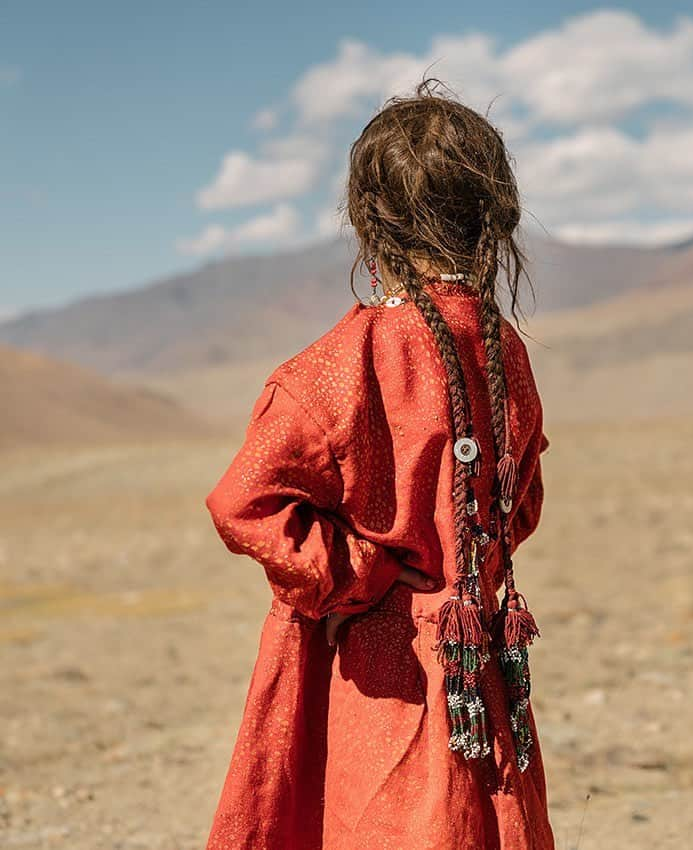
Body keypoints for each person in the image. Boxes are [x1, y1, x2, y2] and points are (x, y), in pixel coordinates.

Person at [203, 78, 554, 850]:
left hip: (380, 676)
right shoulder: (505, 350)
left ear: (370, 219)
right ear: (491, 214)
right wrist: (464, 570)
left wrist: (362, 574)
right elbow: (519, 505)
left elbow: (243, 501)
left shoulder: (344, 362)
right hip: (486, 667)